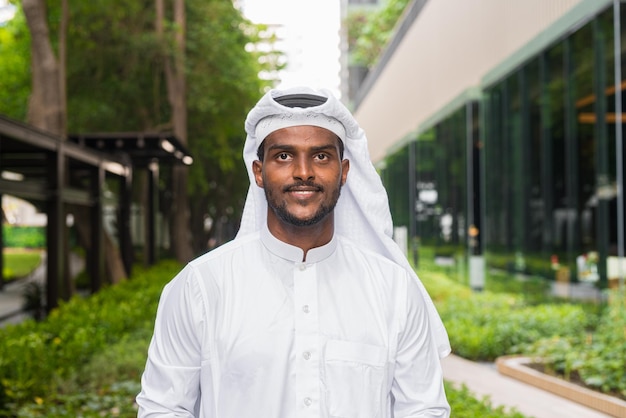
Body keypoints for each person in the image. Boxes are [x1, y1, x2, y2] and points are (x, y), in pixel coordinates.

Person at [136, 86, 451, 417]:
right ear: (259, 172)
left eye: (321, 156)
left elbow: (423, 410)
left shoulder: (394, 290)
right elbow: (163, 408)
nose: (303, 172)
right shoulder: (200, 287)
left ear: (344, 172)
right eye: (283, 156)